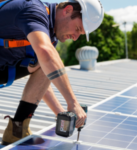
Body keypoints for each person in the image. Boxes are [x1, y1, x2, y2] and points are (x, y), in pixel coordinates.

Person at [0, 0, 104, 145]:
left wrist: (61, 113)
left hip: (3, 68)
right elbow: (46, 53)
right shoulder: (32, 10)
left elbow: (45, 74)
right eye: (77, 28)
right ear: (67, 10)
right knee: (49, 57)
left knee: (46, 64)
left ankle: (16, 131)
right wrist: (72, 102)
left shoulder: (49, 33)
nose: (75, 37)